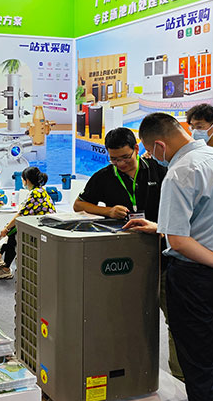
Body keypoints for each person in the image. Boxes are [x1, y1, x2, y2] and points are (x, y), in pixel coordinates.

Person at [124, 112, 213, 401]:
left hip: (197, 278)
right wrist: (160, 226)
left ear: (160, 145)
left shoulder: (180, 171)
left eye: (150, 151)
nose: (152, 157)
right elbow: (207, 218)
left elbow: (179, 242)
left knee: (199, 368)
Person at [72, 126, 181, 379]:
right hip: (124, 262)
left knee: (176, 321)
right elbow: (79, 205)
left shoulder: (159, 171)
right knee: (124, 318)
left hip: (164, 258)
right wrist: (107, 211)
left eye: (125, 157)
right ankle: (130, 374)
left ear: (136, 149)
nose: (120, 164)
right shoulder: (103, 176)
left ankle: (179, 376)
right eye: (114, 159)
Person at [0, 166, 55, 280]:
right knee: (11, 233)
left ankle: (1, 262)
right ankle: (1, 262)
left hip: (41, 229)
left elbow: (20, 214)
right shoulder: (40, 191)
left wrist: (6, 228)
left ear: (27, 180)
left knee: (10, 234)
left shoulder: (35, 193)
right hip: (40, 225)